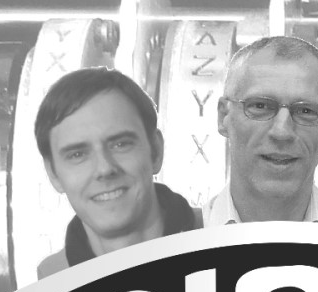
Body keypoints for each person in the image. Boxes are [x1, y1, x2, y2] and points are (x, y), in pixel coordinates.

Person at [34, 67, 201, 278]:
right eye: (77, 155)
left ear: (155, 151)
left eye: (121, 144)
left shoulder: (227, 240)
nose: (104, 169)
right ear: (53, 174)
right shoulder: (51, 284)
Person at [204, 36, 318, 225]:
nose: (282, 132)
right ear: (224, 116)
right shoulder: (178, 234)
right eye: (260, 106)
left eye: (306, 111)